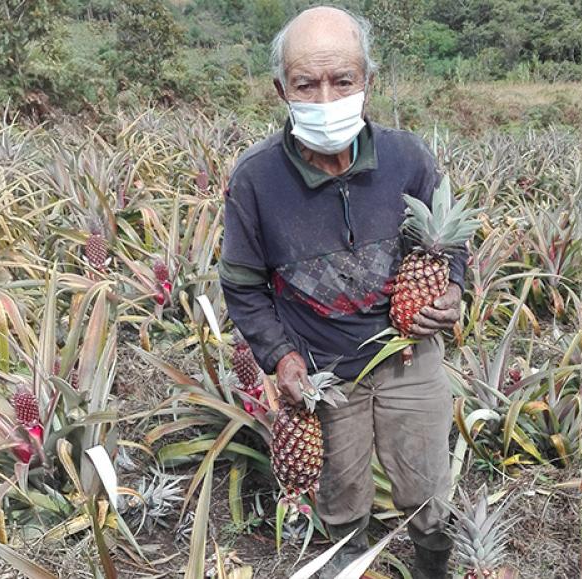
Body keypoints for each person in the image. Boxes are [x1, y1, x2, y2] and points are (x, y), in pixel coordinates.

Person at [218, 7, 466, 578]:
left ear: (367, 82)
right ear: (281, 89)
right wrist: (279, 357)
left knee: (429, 491)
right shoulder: (256, 178)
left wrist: (451, 287)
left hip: (410, 357)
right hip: (322, 372)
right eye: (307, 83)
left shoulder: (407, 157)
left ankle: (435, 568)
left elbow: (449, 246)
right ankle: (346, 564)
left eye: (343, 80)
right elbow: (243, 285)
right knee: (341, 497)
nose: (326, 97)